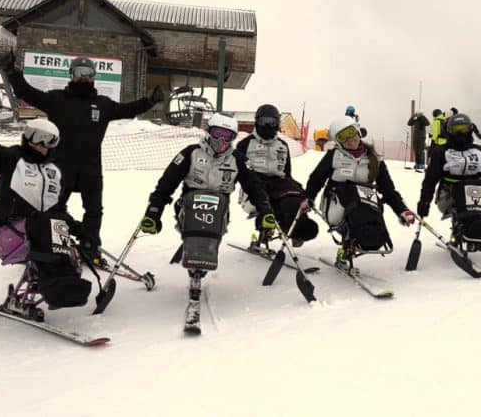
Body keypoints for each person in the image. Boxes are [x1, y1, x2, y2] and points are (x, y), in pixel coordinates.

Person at [0, 52, 167, 263]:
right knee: (54, 209)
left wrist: (150, 100)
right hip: (60, 170)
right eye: (79, 73)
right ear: (71, 74)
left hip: (91, 170)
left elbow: (129, 109)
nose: (84, 77)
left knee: (94, 212)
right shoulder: (56, 99)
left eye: (89, 74)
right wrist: (12, 71)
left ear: (94, 77)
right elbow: (26, 92)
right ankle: (51, 244)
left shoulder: (103, 104)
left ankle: (90, 246)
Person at [0, 86, 91, 320]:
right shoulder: (11, 159)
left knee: (59, 230)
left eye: (48, 140)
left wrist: (77, 228)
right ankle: (53, 284)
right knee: (46, 224)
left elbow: (58, 210)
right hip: (7, 235)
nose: (40, 144)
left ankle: (67, 286)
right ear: (26, 136)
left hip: (37, 236)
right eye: (35, 136)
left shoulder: (54, 173)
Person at [139, 113, 275, 328]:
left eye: (227, 137)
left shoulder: (237, 159)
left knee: (215, 208)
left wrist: (265, 210)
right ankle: (194, 266)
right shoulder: (190, 154)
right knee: (196, 205)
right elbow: (167, 183)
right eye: (217, 135)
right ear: (208, 132)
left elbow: (254, 187)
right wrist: (153, 212)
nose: (221, 142)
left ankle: (202, 259)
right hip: (189, 202)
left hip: (220, 206)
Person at [305, 116, 414, 272]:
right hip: (336, 206)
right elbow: (316, 178)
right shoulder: (334, 156)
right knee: (351, 192)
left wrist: (402, 210)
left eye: (351, 133)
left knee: (371, 216)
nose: (350, 140)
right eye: (343, 137)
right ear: (338, 141)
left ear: (358, 131)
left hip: (363, 205)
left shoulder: (374, 160)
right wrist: (308, 198)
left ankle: (358, 243)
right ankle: (350, 241)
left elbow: (388, 190)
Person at [417, 113, 481, 253]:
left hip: (476, 195)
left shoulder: (479, 152)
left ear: (470, 130)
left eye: (463, 129)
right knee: (463, 195)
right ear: (449, 131)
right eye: (456, 130)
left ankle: (480, 229)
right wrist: (424, 202)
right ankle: (459, 230)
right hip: (449, 195)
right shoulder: (442, 152)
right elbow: (430, 180)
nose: (460, 134)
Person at [235, 104, 318, 247]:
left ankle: (298, 224)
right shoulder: (245, 144)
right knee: (264, 198)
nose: (267, 125)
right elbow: (238, 172)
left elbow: (287, 174)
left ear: (277, 124)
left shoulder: (282, 146)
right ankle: (265, 232)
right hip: (253, 183)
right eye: (263, 121)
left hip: (277, 183)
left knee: (293, 192)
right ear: (257, 122)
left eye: (271, 122)